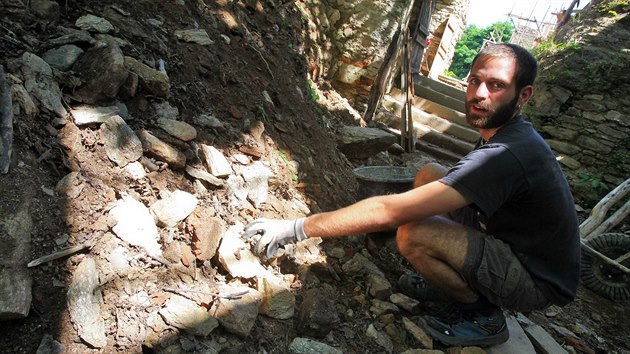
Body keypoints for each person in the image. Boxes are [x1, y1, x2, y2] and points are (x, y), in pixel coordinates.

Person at [242, 43, 580, 347]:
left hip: (535, 278)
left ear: (523, 95)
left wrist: (296, 228)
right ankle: (447, 278)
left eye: (496, 86)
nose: (479, 93)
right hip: (510, 240)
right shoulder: (504, 130)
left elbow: (392, 210)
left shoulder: (508, 151)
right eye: (475, 80)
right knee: (430, 172)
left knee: (413, 233)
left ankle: (482, 314)